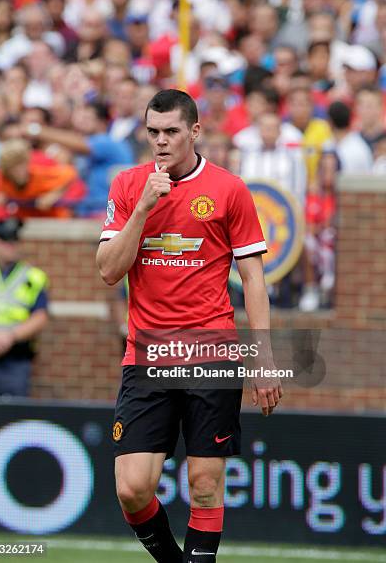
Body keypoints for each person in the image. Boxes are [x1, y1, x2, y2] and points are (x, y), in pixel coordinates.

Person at [96, 89, 282, 563]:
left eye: (171, 132)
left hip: (211, 351)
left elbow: (253, 280)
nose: (161, 141)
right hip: (148, 354)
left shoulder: (229, 189)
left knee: (204, 483)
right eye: (153, 132)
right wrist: (143, 209)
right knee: (133, 489)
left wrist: (263, 358)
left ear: (194, 132)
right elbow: (108, 270)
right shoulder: (127, 185)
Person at [0, 218, 49, 396]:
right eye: (4, 240)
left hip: (16, 359)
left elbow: (40, 317)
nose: (10, 246)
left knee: (12, 416)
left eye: (14, 240)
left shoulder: (34, 277)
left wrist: (9, 337)